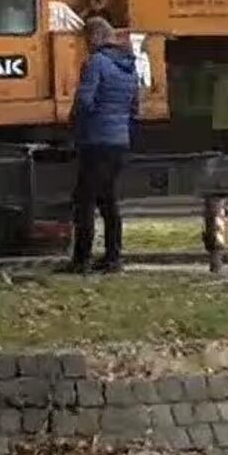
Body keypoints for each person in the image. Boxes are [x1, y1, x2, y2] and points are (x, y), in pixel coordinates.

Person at [65, 16, 140, 274]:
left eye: (86, 40)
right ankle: (112, 256)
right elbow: (134, 108)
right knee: (108, 200)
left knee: (84, 200)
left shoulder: (97, 63)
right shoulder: (129, 67)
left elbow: (85, 101)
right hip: (119, 142)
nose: (86, 46)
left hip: (96, 140)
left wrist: (74, 124)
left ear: (95, 37)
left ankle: (81, 259)